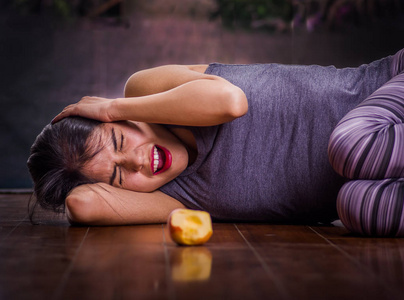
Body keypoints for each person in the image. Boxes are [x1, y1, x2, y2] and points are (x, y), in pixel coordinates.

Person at [27, 48, 404, 237]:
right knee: (355, 208)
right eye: (118, 176)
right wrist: (85, 181)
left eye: (120, 140)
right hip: (382, 168)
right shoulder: (172, 199)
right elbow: (82, 203)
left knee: (352, 147)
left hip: (388, 89)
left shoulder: (144, 91)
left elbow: (230, 102)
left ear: (124, 117)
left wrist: (112, 107)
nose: (138, 161)